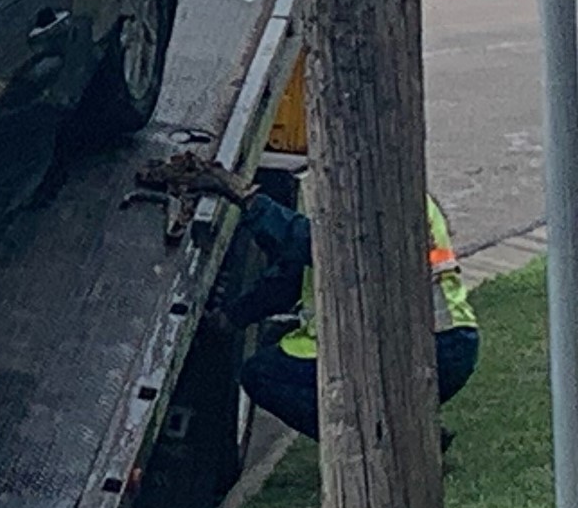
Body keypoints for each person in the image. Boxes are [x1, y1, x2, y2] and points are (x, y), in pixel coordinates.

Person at [140, 154, 480, 445]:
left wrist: (245, 197)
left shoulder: (382, 202)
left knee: (265, 375)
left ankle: (376, 442)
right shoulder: (399, 193)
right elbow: (291, 278)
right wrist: (232, 318)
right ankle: (402, 431)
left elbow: (312, 245)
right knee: (276, 350)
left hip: (425, 348)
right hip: (446, 340)